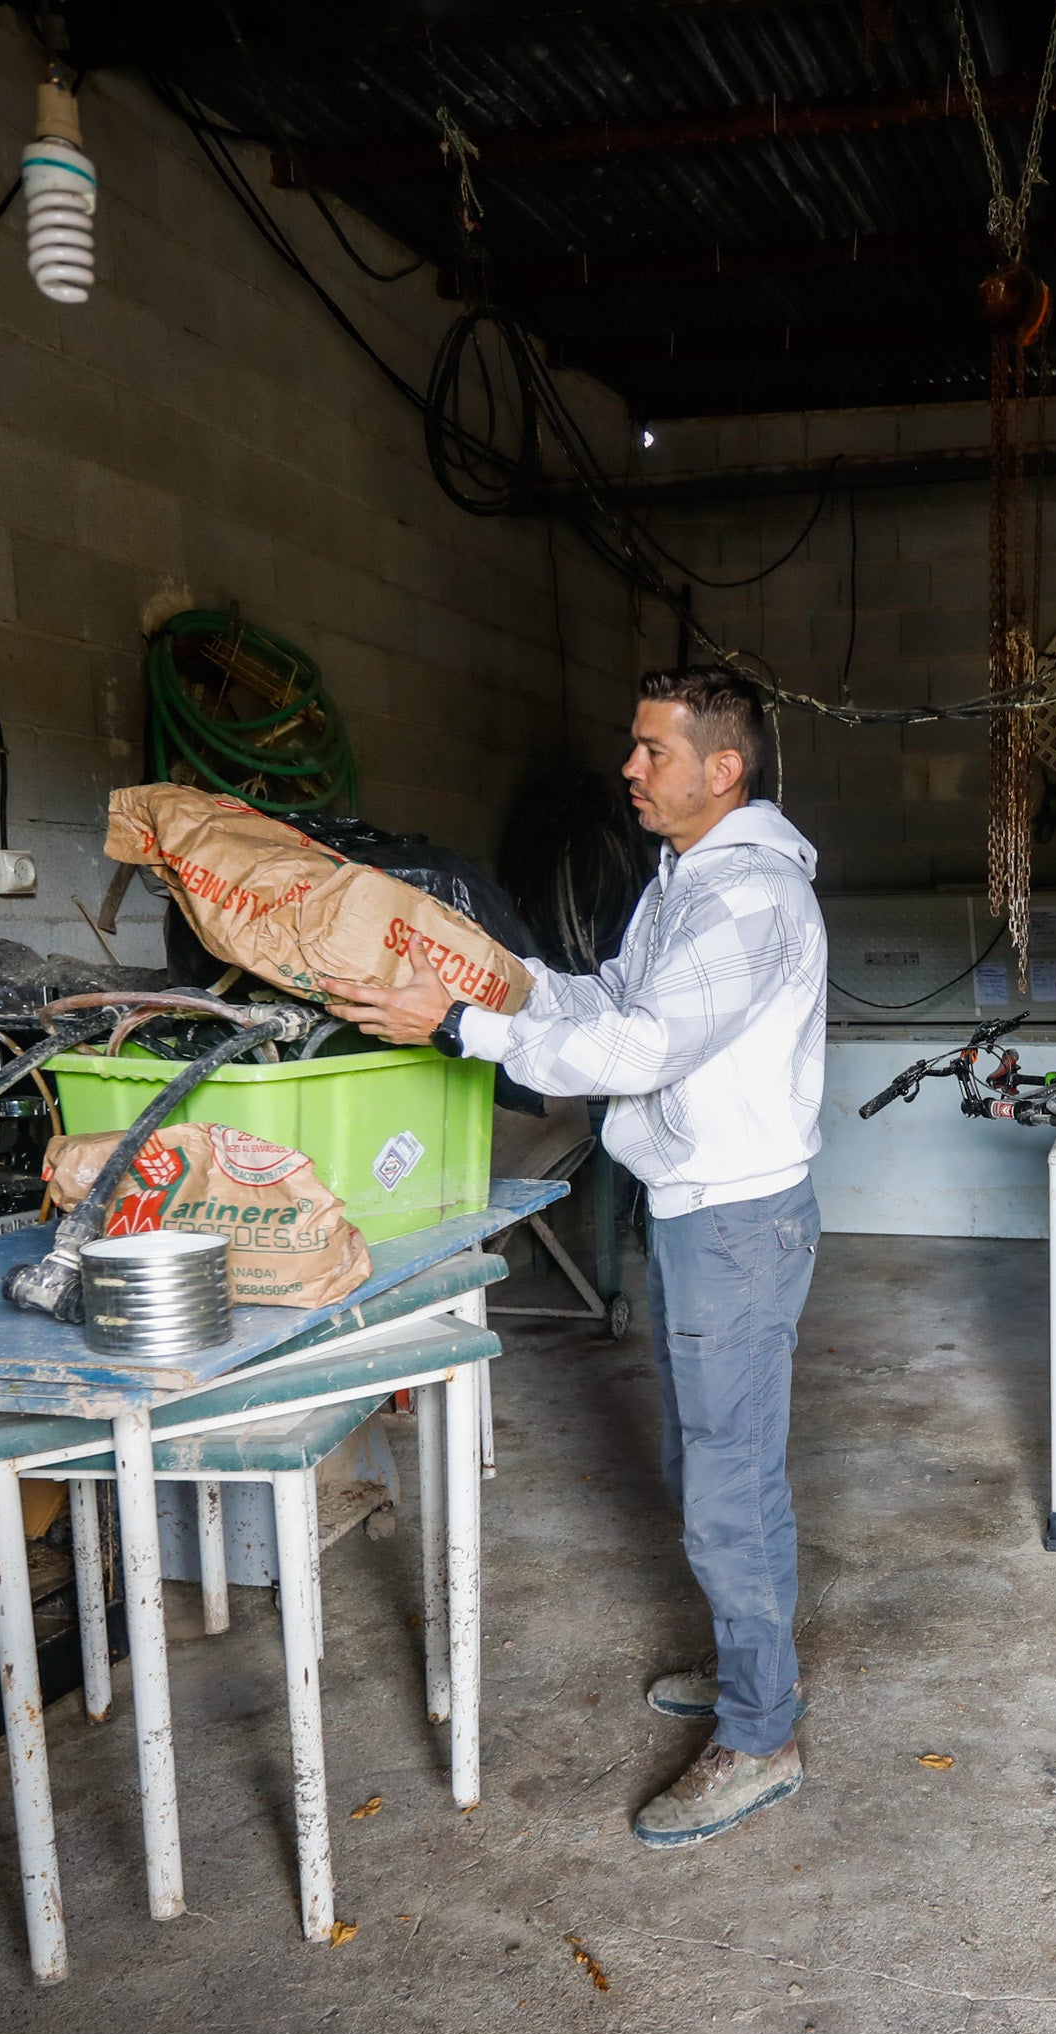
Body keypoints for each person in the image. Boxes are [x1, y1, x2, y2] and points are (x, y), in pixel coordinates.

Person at [323, 666, 827, 1849]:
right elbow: (609, 993)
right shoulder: (684, 879)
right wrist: (488, 977)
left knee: (729, 1480)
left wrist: (459, 1028)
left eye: (654, 750)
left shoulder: (746, 895)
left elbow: (641, 1044)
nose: (630, 767)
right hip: (703, 1207)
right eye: (636, 745)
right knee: (707, 1455)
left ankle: (761, 1733)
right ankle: (753, 1669)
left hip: (736, 1223)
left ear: (724, 770)